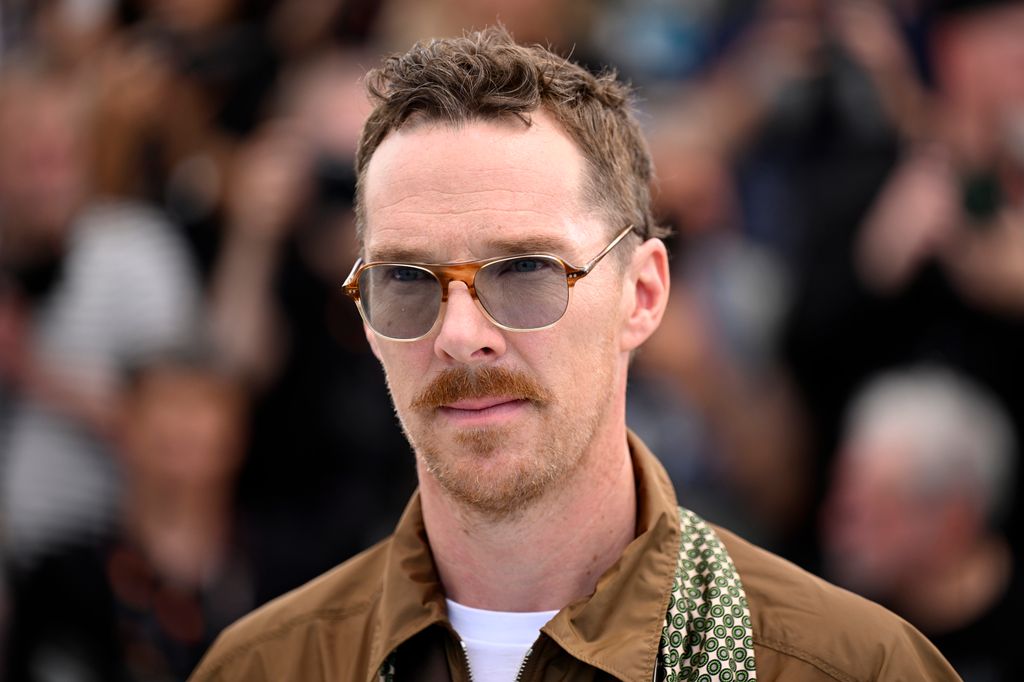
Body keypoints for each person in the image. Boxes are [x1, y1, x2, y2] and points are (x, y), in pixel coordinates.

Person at [190, 27, 959, 681]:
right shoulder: (261, 666)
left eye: (526, 271)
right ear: (363, 312)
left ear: (643, 294)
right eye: (407, 280)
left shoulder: (854, 666)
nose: (460, 334)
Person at [822, 366, 1018, 681]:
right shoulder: (835, 620)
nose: (838, 523)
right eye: (845, 488)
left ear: (955, 520)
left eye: (881, 503)